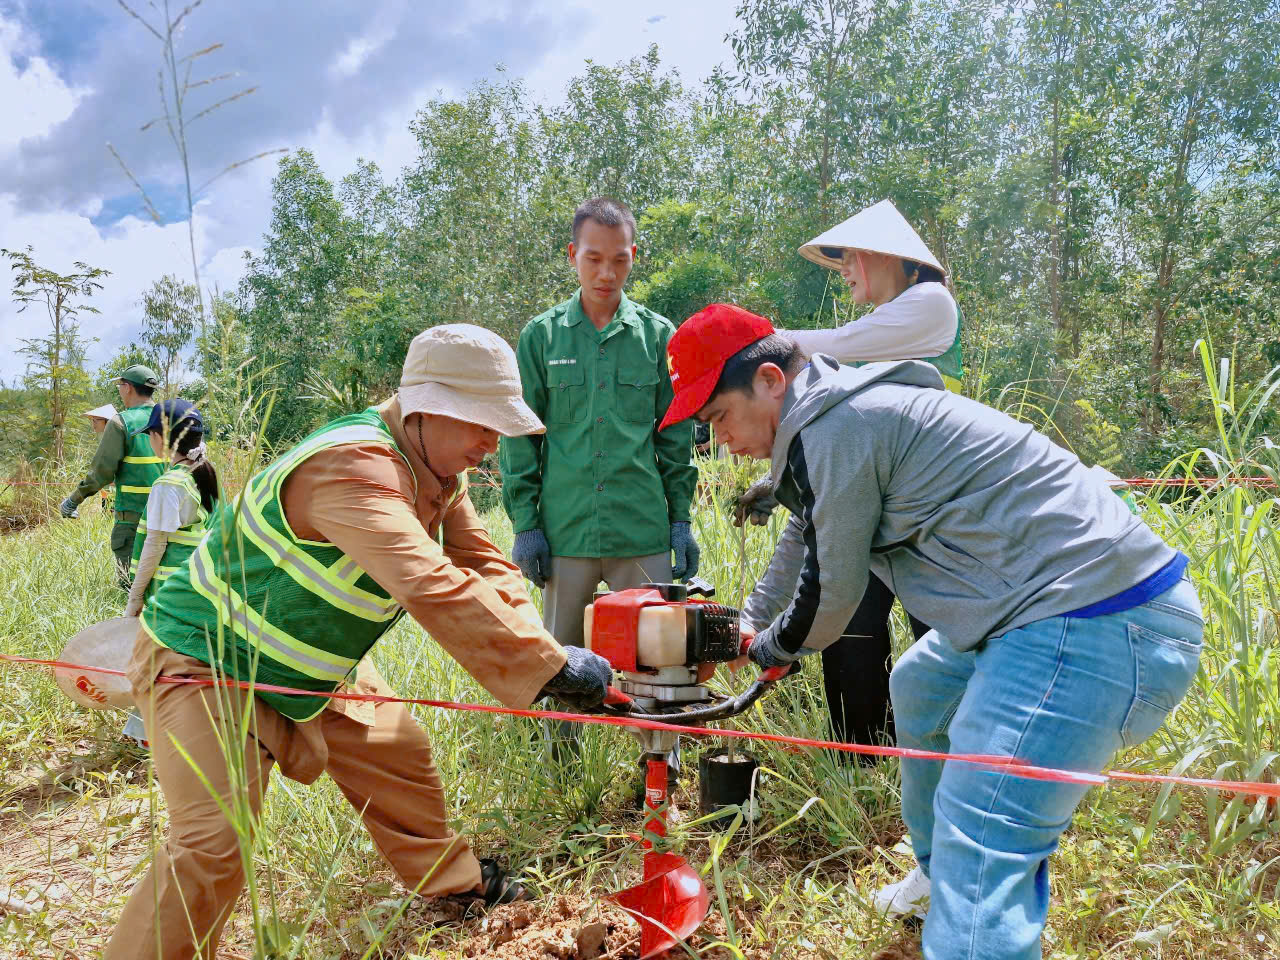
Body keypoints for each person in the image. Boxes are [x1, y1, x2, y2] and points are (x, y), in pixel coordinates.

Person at [659, 304, 1202, 960]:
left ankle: (965, 900)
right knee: (921, 685)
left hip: (1100, 617)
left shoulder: (836, 426)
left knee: (985, 834)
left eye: (719, 416)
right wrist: (745, 626)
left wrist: (770, 648)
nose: (720, 439)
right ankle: (938, 878)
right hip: (1052, 606)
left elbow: (831, 594)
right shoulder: (832, 416)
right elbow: (803, 536)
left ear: (771, 380)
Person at [105, 325, 615, 960]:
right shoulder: (354, 467)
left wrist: (546, 652)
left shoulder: (434, 472)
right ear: (426, 408)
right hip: (205, 660)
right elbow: (430, 583)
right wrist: (550, 666)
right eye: (481, 423)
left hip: (305, 667)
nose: (492, 442)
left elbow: (485, 563)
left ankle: (453, 881)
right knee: (212, 844)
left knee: (397, 750)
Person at [736, 199, 961, 753]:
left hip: (928, 513)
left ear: (886, 256)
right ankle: (862, 762)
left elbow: (832, 347)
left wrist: (754, 346)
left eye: (848, 258)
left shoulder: (930, 303)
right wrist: (786, 485)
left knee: (937, 643)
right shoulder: (872, 334)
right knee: (851, 635)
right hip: (872, 505)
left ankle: (941, 759)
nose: (843, 271)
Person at [499, 196, 699, 791]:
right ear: (573, 256)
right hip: (566, 531)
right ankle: (560, 780)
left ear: (633, 256)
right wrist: (525, 524)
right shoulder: (540, 338)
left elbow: (674, 439)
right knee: (559, 660)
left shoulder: (657, 337)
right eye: (593, 259)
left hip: (641, 526)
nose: (606, 273)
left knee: (658, 657)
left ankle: (659, 772)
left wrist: (681, 521)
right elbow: (520, 437)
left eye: (619, 260)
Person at [61, 365, 165, 587]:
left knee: (132, 587)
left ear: (128, 388)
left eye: (120, 385)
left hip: (133, 519)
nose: (119, 390)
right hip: (170, 516)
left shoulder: (121, 422)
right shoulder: (171, 418)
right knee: (164, 584)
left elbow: (101, 472)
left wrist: (73, 500)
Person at [123, 399, 217, 619]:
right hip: (201, 586)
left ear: (160, 437)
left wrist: (135, 597)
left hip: (171, 592)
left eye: (150, 434)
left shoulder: (168, 485)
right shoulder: (206, 474)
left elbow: (155, 545)